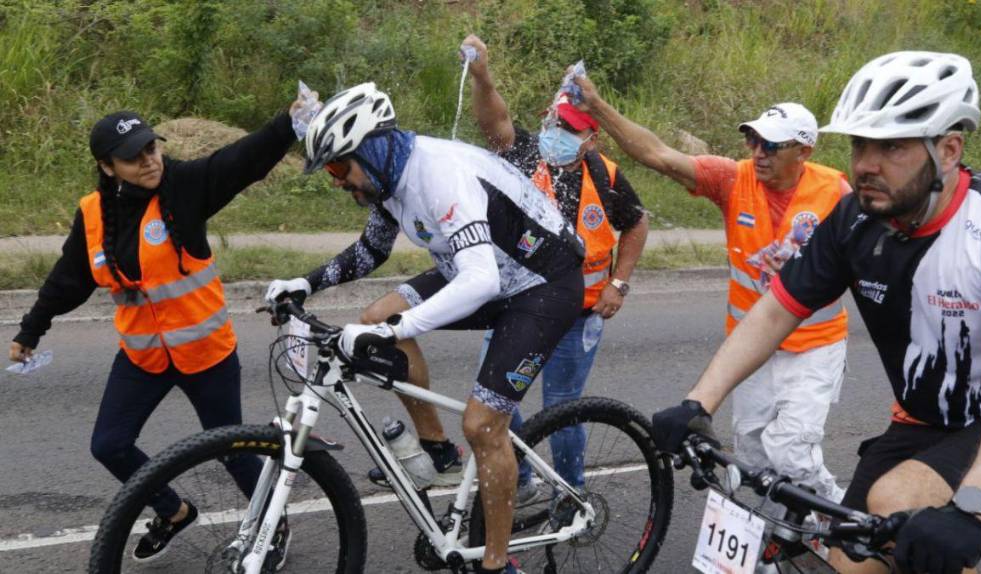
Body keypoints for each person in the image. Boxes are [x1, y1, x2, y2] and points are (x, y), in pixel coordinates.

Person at [650, 51, 981, 574]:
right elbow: (775, 311)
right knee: (850, 559)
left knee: (903, 507)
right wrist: (697, 402)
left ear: (950, 149)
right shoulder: (855, 219)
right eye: (859, 144)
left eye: (891, 146)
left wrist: (974, 506)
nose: (866, 164)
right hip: (921, 422)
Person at [265, 82, 584, 574]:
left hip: (543, 285)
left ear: (368, 149)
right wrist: (305, 285)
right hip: (485, 271)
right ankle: (437, 450)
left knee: (482, 424)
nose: (335, 182)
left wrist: (397, 331)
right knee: (375, 316)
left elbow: (481, 281)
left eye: (336, 167)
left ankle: (495, 565)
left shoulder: (439, 175)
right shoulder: (386, 180)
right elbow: (371, 251)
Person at [7, 93, 310, 568]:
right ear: (108, 167)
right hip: (143, 356)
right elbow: (70, 277)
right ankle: (174, 510)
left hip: (205, 352)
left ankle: (273, 523)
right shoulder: (92, 213)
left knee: (231, 449)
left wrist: (287, 125)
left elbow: (240, 161)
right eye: (134, 157)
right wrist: (31, 330)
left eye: (152, 148)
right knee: (109, 445)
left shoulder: (184, 187)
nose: (149, 161)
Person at [571, 76, 850, 503]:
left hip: (815, 347)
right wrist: (597, 107)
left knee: (792, 453)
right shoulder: (732, 179)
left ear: (804, 151)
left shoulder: (837, 192)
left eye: (771, 146)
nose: (758, 153)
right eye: (753, 140)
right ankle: (773, 547)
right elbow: (658, 155)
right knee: (753, 461)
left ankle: (838, 517)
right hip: (752, 349)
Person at [460, 34, 649, 502]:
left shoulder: (605, 175)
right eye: (555, 121)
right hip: (514, 307)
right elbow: (495, 123)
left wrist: (619, 284)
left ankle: (571, 493)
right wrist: (482, 76)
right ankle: (518, 477)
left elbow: (637, 224)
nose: (558, 132)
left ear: (591, 137)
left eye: (571, 127)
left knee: (562, 410)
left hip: (576, 316)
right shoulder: (526, 156)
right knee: (494, 399)